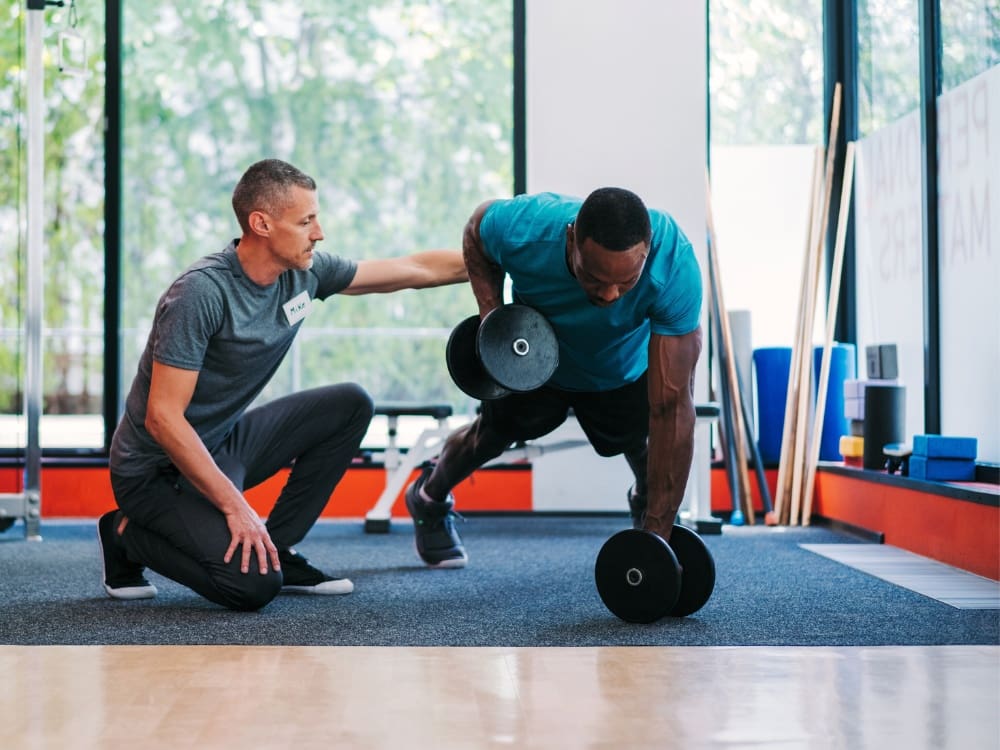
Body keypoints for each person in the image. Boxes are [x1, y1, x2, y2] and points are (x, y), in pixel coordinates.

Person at [99, 158, 467, 610]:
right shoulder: (200, 293)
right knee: (251, 587)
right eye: (306, 220)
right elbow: (163, 418)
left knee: (351, 403)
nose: (320, 232)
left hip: (219, 444)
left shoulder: (304, 274)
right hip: (152, 472)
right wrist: (237, 508)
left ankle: (278, 546)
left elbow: (415, 270)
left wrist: (494, 260)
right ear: (262, 224)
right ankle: (125, 535)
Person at [404, 188, 702, 568]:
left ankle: (651, 515)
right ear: (571, 239)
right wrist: (494, 323)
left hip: (616, 366)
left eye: (626, 282)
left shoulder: (673, 262)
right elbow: (476, 231)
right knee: (487, 438)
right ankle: (429, 499)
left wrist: (656, 547)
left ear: (646, 252)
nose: (610, 294)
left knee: (644, 446)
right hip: (534, 359)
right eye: (594, 278)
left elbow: (672, 408)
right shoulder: (525, 228)